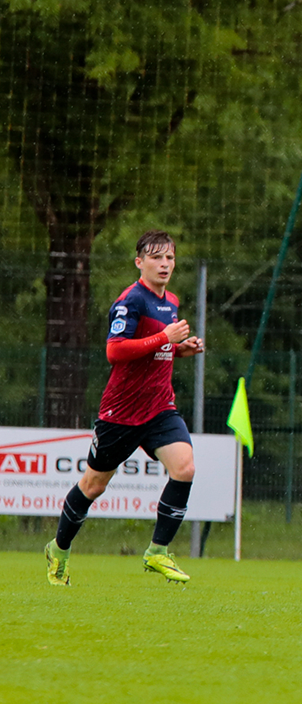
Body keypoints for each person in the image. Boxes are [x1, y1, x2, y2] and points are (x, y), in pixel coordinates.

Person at [44, 230, 206, 586]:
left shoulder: (171, 301)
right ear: (139, 262)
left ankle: (157, 552)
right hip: (122, 413)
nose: (164, 264)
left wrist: (180, 349)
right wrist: (165, 338)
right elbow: (115, 351)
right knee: (93, 485)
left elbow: (156, 350)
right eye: (156, 257)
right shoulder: (130, 301)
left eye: (169, 257)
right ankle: (59, 549)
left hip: (160, 407)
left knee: (185, 468)